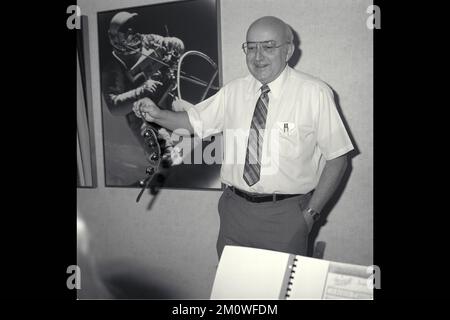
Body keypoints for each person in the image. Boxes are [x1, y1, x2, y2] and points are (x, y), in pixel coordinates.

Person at [133, 16, 354, 258]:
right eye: (251, 47)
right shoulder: (233, 91)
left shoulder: (315, 93)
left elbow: (338, 158)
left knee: (280, 293)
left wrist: (310, 215)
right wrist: (156, 114)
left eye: (269, 47)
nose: (258, 56)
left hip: (286, 216)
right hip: (234, 212)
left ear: (288, 50)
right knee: (233, 291)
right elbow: (192, 122)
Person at [102, 11, 185, 173]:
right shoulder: (113, 67)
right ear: (117, 38)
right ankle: (166, 157)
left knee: (197, 120)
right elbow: (113, 106)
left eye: (133, 29)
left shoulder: (148, 40)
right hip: (144, 118)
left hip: (169, 100)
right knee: (164, 151)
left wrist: (175, 43)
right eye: (127, 32)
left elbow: (174, 45)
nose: (133, 34)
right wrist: (142, 90)